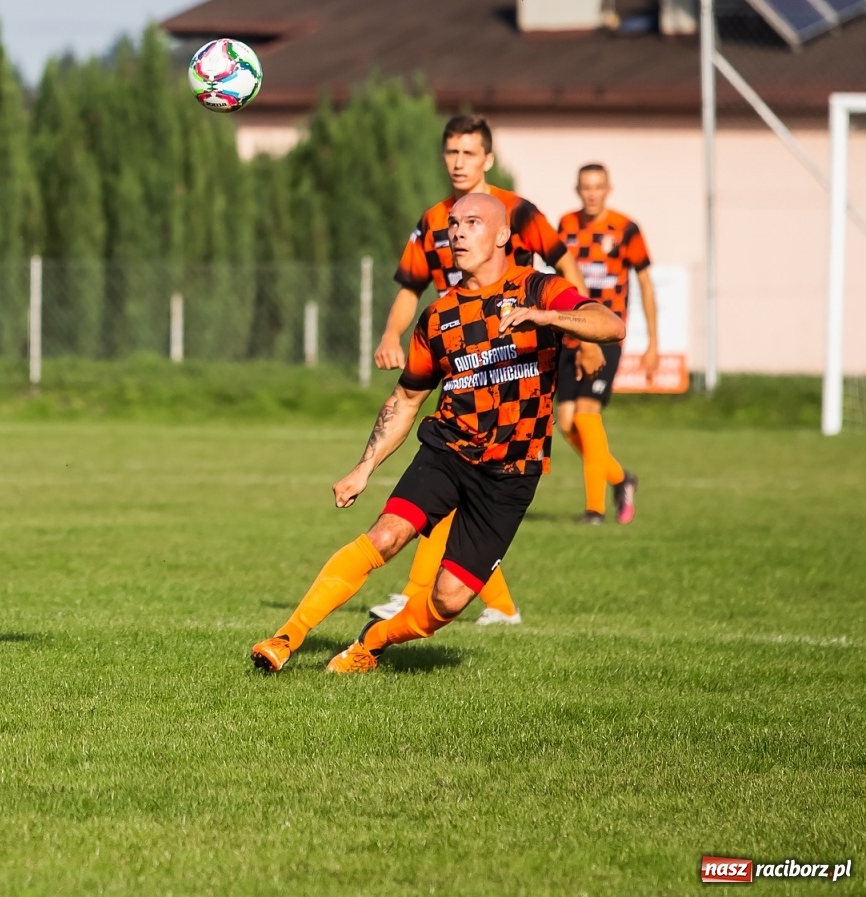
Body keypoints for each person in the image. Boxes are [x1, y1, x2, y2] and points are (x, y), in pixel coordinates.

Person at [252, 194, 624, 674]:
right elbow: (407, 399)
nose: (459, 232)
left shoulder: (540, 289)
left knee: (449, 601)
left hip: (512, 473)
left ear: (504, 236)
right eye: (453, 224)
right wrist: (363, 468)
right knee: (386, 535)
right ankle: (286, 637)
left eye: (473, 222)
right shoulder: (438, 317)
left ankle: (372, 642)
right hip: (448, 451)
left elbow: (610, 325)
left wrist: (548, 318)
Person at [366, 114, 601, 628]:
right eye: (451, 152)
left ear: (487, 159)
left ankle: (433, 595)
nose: (458, 163)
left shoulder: (516, 211)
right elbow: (411, 285)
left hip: (516, 353)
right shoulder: (433, 220)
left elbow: (563, 266)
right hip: (460, 355)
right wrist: (391, 334)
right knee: (454, 465)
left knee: (480, 471)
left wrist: (582, 331)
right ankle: (462, 598)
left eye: (469, 154)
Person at [555, 164, 654, 524]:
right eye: (585, 187)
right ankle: (621, 479)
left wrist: (653, 342)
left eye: (598, 187)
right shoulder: (565, 226)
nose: (592, 193)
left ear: (608, 188)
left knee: (586, 415)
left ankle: (594, 510)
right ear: (577, 189)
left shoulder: (626, 229)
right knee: (566, 424)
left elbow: (644, 284)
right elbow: (560, 277)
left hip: (607, 334)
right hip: (569, 333)